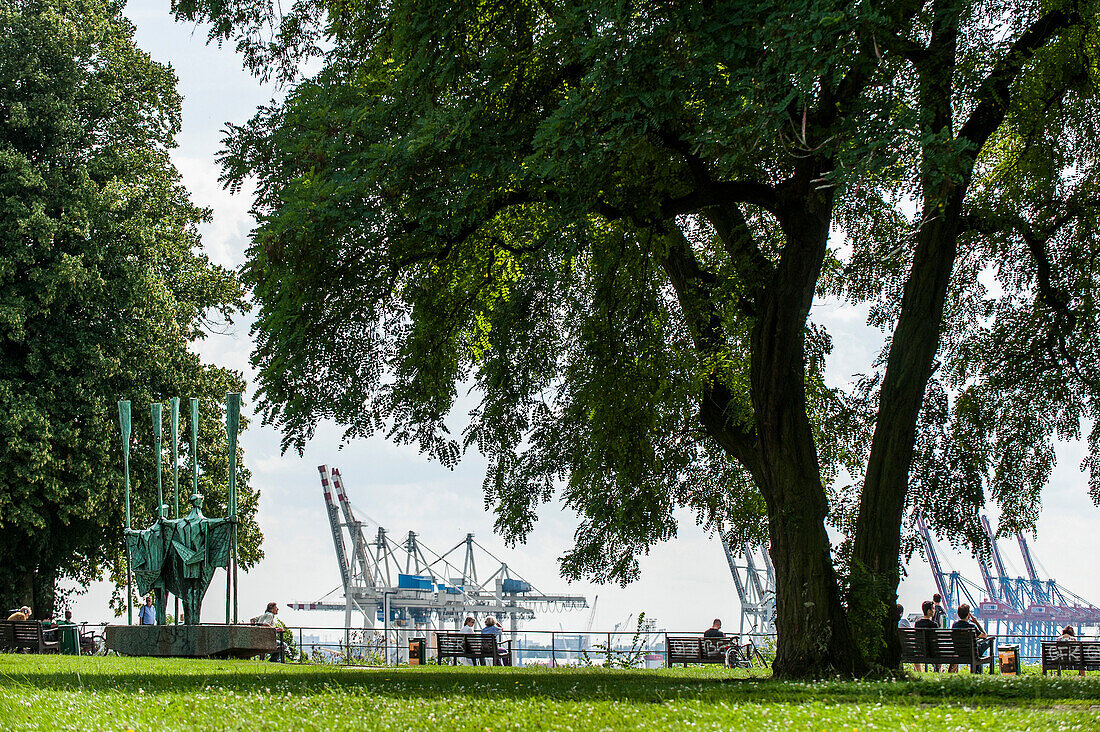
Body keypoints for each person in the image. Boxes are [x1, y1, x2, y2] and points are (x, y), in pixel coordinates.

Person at [951, 604, 993, 673]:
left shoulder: (954, 625)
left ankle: (977, 670)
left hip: (959, 652)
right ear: (968, 615)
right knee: (988, 642)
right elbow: (985, 635)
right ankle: (978, 671)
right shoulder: (972, 626)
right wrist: (976, 622)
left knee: (976, 649)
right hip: (972, 652)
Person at [913, 600, 940, 672]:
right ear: (929, 611)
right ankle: (937, 671)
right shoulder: (934, 625)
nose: (934, 610)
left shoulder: (917, 624)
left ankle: (919, 672)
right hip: (932, 652)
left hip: (920, 651)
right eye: (933, 609)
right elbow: (936, 640)